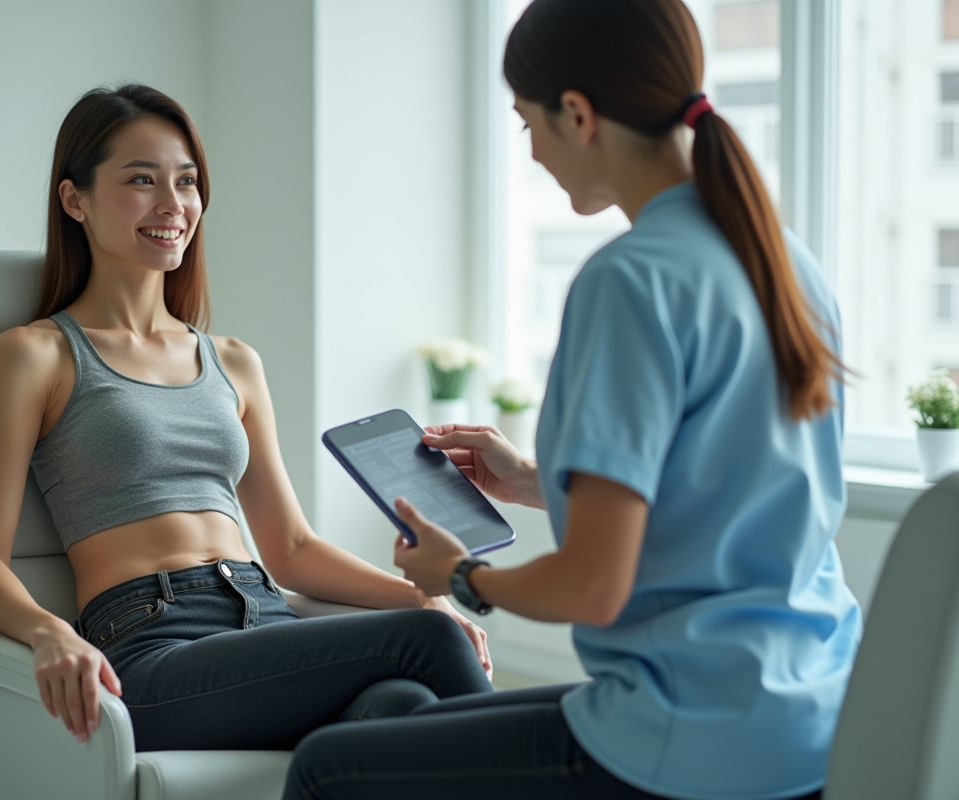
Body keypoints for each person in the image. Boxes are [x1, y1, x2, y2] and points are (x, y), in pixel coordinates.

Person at [282, 0, 860, 798]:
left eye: (529, 125)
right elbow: (722, 505)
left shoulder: (629, 280)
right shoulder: (788, 264)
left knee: (326, 771)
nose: (533, 152)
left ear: (579, 115)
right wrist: (529, 481)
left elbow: (594, 586)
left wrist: (462, 579)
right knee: (389, 732)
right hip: (815, 718)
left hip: (691, 734)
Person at [0, 84, 494, 753]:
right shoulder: (37, 353)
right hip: (152, 646)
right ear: (75, 200)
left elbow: (292, 549)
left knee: (400, 704)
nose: (172, 204)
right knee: (431, 643)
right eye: (141, 180)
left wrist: (421, 596)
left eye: (187, 182)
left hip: (269, 617)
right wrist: (49, 631)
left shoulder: (233, 361)